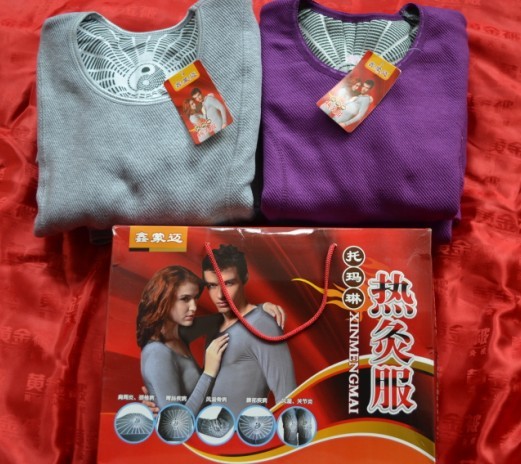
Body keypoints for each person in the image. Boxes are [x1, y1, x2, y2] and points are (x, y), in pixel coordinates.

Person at [197, 244, 297, 416]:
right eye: (212, 285)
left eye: (228, 283)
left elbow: (287, 396)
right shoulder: (215, 326)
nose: (220, 295)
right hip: (209, 428)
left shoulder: (262, 325)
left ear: (245, 278)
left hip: (246, 430)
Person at [137, 265, 229, 415]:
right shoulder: (157, 353)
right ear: (164, 300)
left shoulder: (179, 333)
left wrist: (262, 308)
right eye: (185, 299)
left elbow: (223, 318)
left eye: (195, 298)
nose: (194, 307)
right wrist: (209, 372)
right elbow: (177, 423)